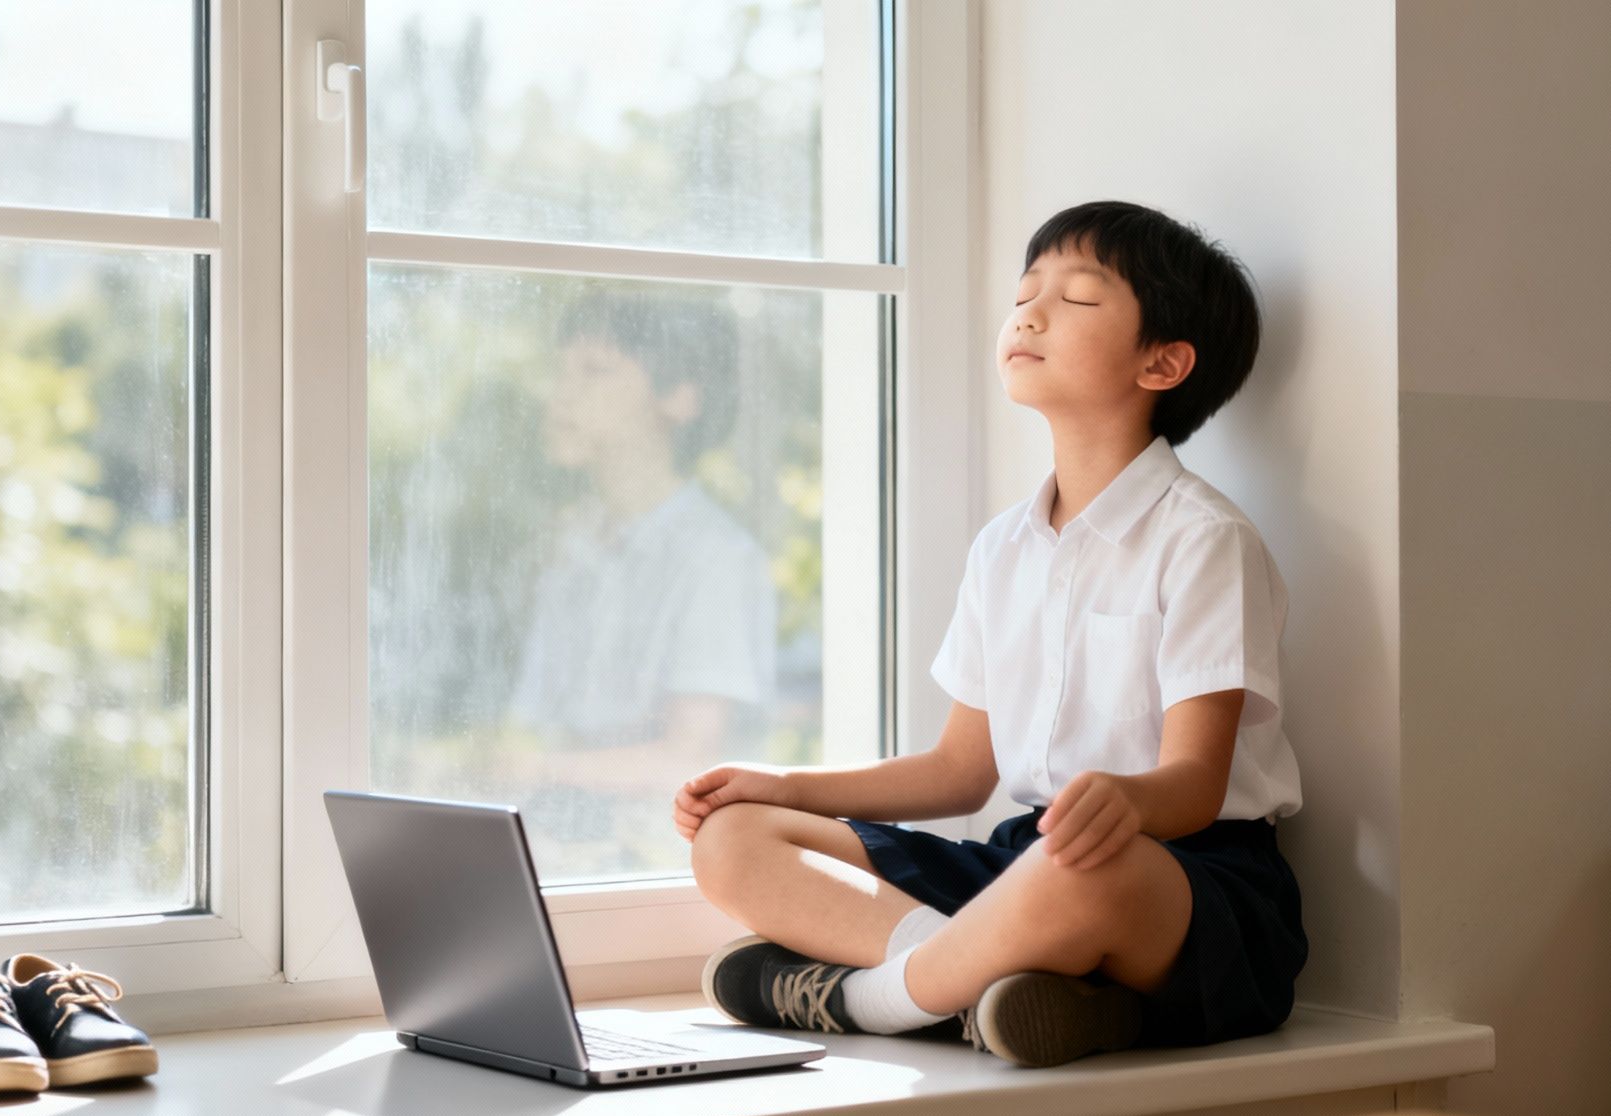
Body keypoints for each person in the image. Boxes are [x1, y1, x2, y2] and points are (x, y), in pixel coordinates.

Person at [676, 200, 1307, 1068]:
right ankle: (1009, 992)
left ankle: (875, 997)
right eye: (1025, 293)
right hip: (1027, 860)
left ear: (1162, 362)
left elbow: (1196, 785)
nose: (1030, 313)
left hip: (1183, 877)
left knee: (1083, 872)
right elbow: (959, 771)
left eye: (1078, 298)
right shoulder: (1003, 547)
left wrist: (1127, 801)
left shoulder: (1204, 539)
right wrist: (786, 785)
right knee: (734, 836)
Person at [499, 287, 778, 877]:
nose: (561, 394)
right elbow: (541, 727)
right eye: (561, 371)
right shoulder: (571, 550)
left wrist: (531, 768)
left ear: (679, 398)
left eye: (594, 371)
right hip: (563, 839)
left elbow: (694, 760)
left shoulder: (716, 559)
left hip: (659, 866)